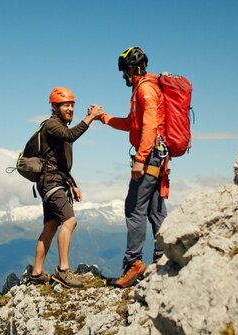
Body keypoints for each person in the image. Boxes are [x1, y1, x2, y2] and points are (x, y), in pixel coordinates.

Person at [90, 46, 168, 288]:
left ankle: (133, 263)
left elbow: (150, 125)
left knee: (133, 208)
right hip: (157, 157)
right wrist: (102, 118)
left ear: (132, 68)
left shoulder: (144, 89)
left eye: (124, 71)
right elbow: (131, 124)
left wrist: (141, 159)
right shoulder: (143, 89)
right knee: (155, 210)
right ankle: (163, 255)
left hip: (150, 156)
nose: (123, 76)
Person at [29, 87, 103, 289]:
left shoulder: (58, 127)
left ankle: (36, 273)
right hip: (51, 182)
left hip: (53, 180)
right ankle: (63, 270)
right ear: (54, 106)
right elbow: (70, 135)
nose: (70, 108)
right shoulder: (52, 125)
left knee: (51, 225)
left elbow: (57, 161)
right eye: (65, 105)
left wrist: (72, 183)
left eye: (72, 105)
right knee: (69, 220)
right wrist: (90, 118)